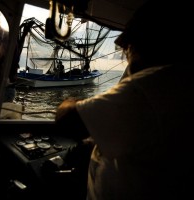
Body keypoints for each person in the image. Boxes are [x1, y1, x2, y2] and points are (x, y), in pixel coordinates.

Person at [55, 1, 194, 200]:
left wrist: (70, 102)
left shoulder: (152, 85)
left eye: (129, 46)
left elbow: (68, 121)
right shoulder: (183, 83)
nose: (124, 50)